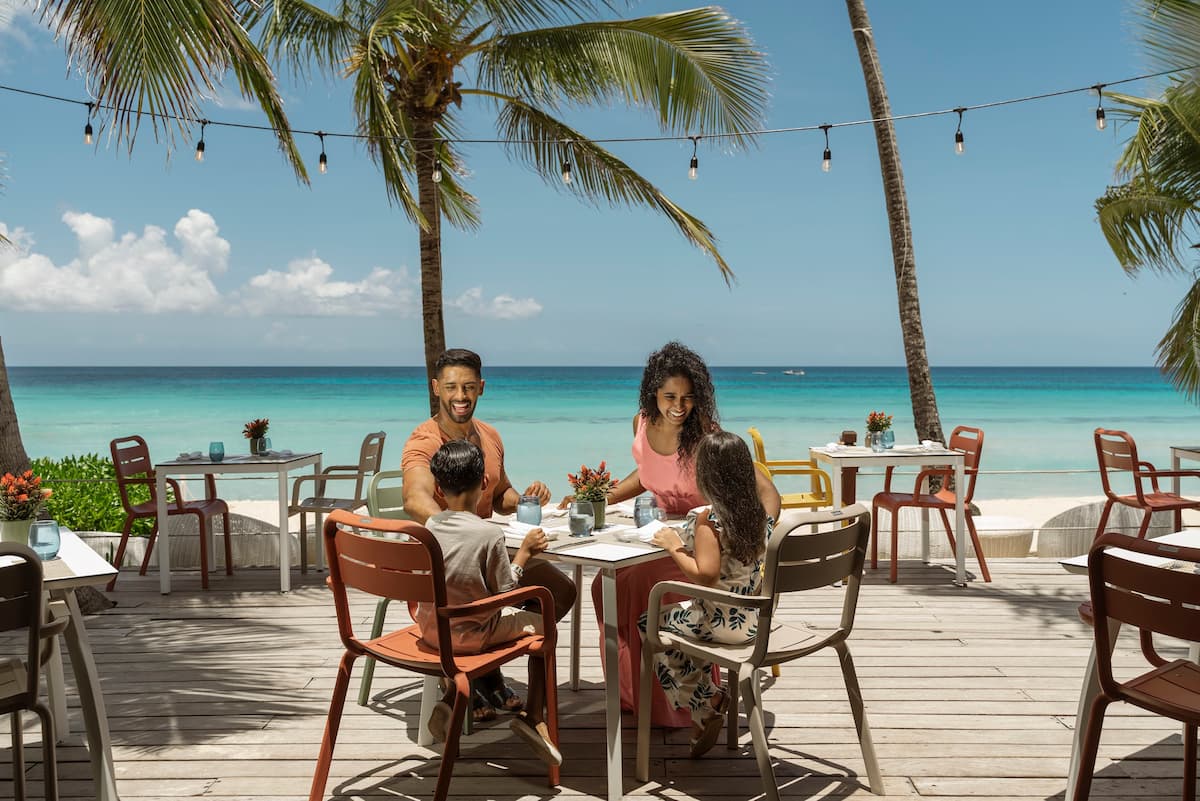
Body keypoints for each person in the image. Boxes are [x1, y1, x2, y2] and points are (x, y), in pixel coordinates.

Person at [570, 341, 780, 728]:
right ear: (653, 393)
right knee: (607, 585)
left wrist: (753, 547)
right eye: (670, 396)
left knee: (643, 587)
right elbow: (648, 473)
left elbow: (766, 492)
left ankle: (682, 708)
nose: (679, 406)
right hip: (664, 536)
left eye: (688, 397)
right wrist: (600, 495)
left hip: (703, 547)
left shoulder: (706, 437)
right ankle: (633, 696)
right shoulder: (641, 424)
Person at [402, 348, 577, 722]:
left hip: (490, 552)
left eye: (468, 387)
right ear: (436, 389)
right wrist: (458, 536)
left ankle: (484, 669)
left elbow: (500, 496)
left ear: (481, 387)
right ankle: (479, 679)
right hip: (446, 569)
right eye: (451, 387)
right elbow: (415, 499)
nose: (460, 396)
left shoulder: (490, 436)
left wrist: (526, 499)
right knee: (514, 598)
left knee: (560, 592)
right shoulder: (424, 441)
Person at [417, 440, 562, 765]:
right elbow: (507, 590)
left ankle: (451, 701)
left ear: (438, 488)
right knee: (544, 622)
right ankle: (533, 716)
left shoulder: (430, 526)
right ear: (484, 482)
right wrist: (524, 553)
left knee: (486, 611)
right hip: (470, 636)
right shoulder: (488, 534)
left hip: (432, 633)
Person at [639, 431, 770, 758]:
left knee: (649, 622)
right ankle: (703, 706)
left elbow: (706, 576)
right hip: (753, 624)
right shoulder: (757, 515)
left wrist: (673, 547)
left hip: (717, 623)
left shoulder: (708, 520)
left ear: (704, 474)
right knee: (681, 623)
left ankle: (705, 700)